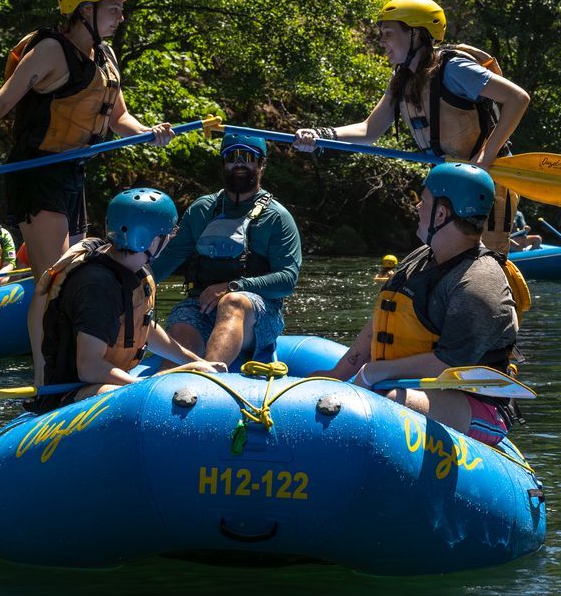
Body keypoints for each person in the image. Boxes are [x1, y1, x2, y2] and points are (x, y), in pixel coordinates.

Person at [0, 0, 174, 280]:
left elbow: (118, 118)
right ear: (86, 9)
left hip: (71, 172)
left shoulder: (106, 56)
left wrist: (146, 133)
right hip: (36, 172)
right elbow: (2, 102)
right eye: (113, 9)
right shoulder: (50, 51)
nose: (120, 18)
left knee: (72, 273)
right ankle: (44, 325)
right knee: (58, 278)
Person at [296, 0, 532, 252]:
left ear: (416, 35)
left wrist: (483, 160)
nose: (381, 41)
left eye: (388, 33)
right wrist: (321, 135)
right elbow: (368, 131)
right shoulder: (402, 78)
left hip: (486, 185)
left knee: (484, 262)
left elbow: (518, 98)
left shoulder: (454, 69)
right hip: (446, 183)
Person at [323, 163, 524, 448]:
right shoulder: (421, 257)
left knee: (380, 403)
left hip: (478, 406)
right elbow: (382, 319)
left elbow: (449, 363)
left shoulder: (479, 284)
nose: (417, 207)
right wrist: (339, 375)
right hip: (407, 384)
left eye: (424, 201)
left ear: (441, 213)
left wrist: (375, 372)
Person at [27, 188, 216, 412]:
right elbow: (89, 367)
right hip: (69, 395)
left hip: (98, 382)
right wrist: (144, 386)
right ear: (152, 240)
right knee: (154, 403)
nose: (169, 239)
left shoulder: (134, 271)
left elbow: (142, 326)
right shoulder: (97, 287)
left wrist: (193, 361)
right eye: (167, 234)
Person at [152, 132, 302, 367]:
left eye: (248, 157)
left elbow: (287, 280)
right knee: (181, 329)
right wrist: (132, 282)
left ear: (261, 164)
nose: (239, 163)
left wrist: (234, 287)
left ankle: (211, 380)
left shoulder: (278, 217)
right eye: (232, 157)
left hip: (258, 312)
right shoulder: (201, 210)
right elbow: (166, 261)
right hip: (199, 305)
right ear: (223, 164)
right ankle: (171, 389)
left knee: (233, 302)